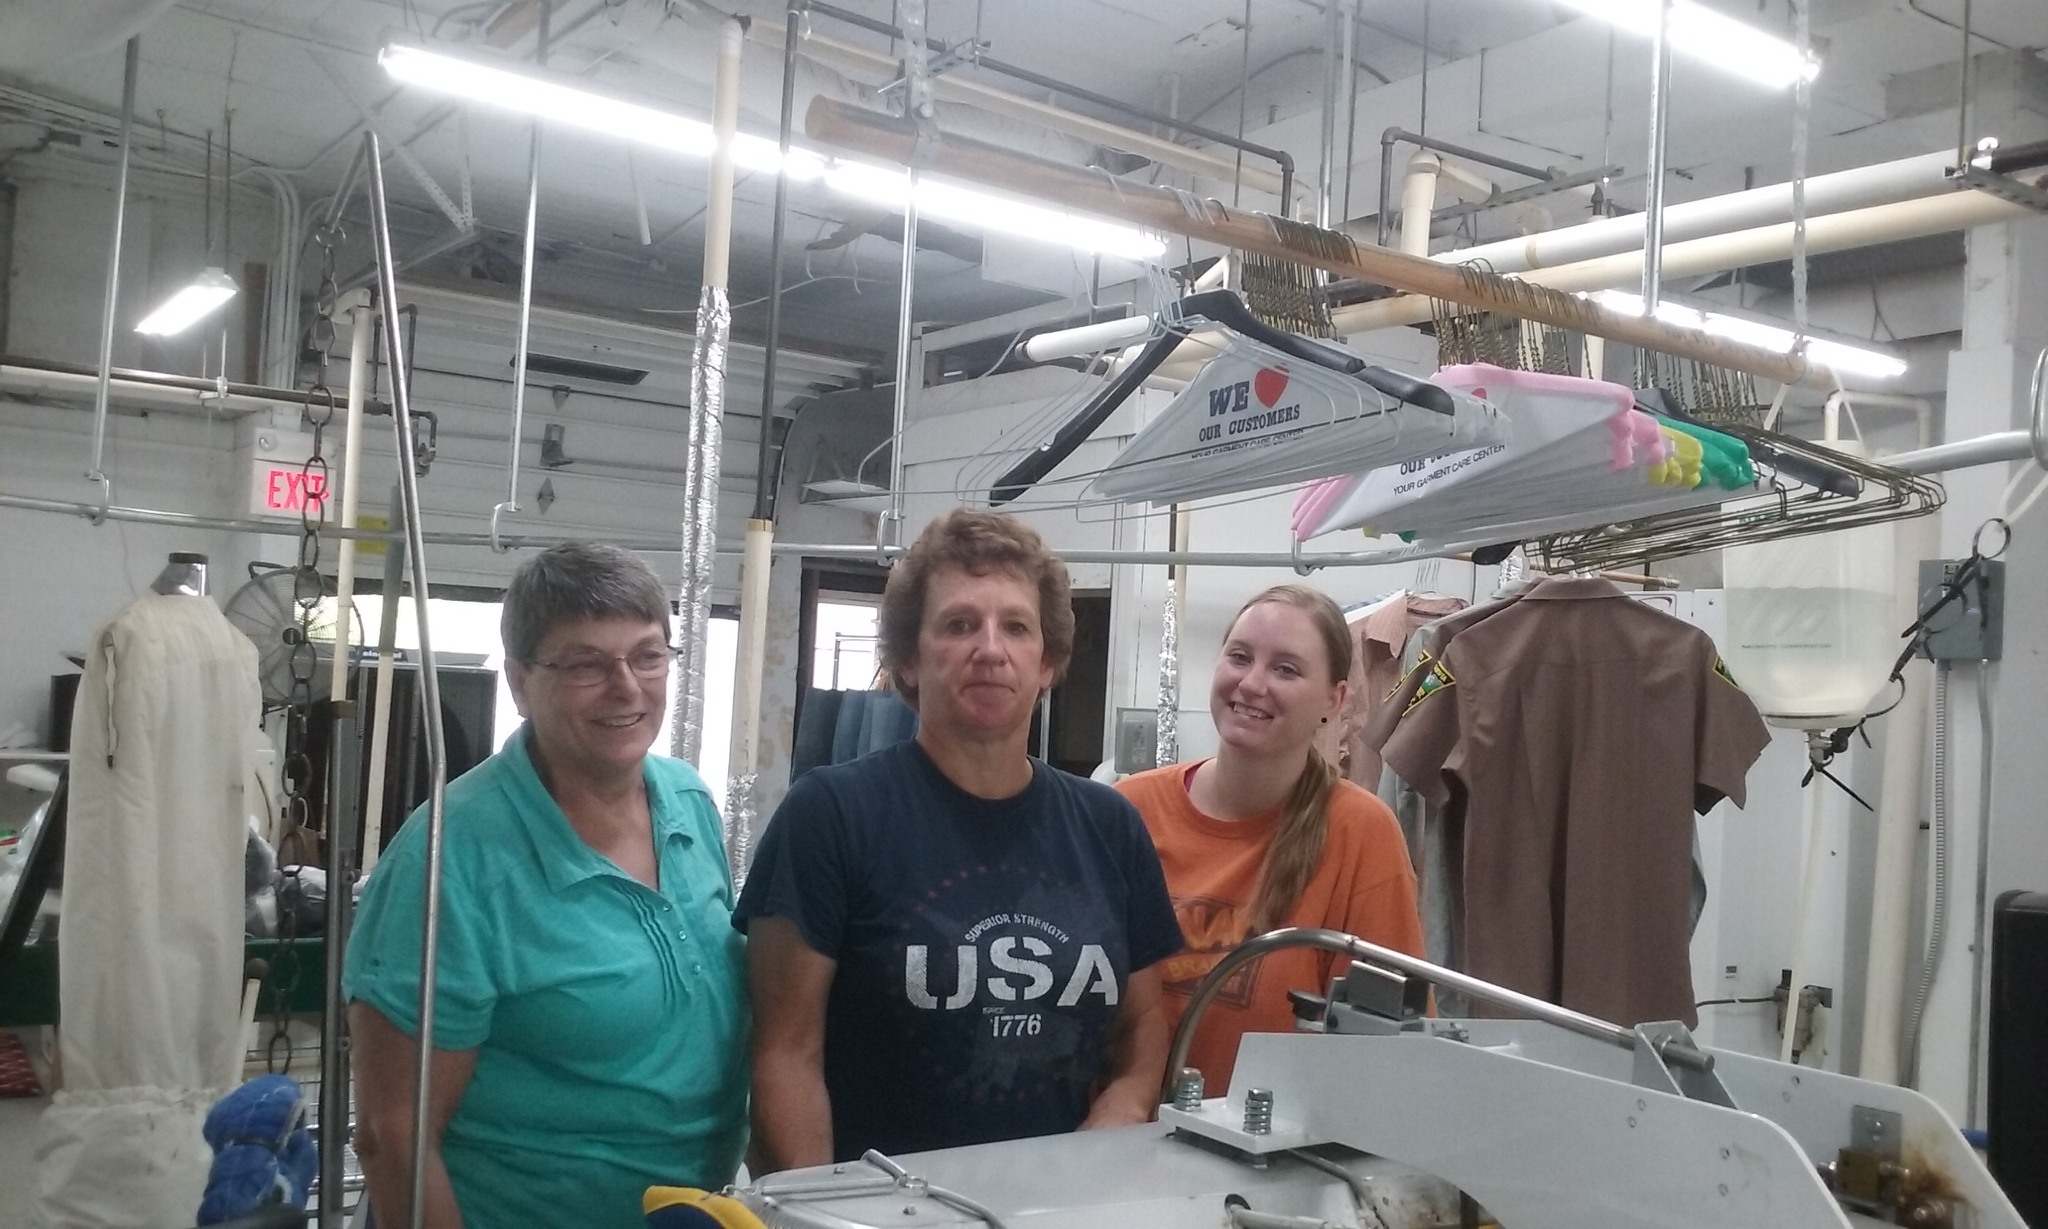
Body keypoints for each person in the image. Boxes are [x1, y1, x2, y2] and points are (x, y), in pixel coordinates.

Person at [736, 508, 1183, 1172]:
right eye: (959, 624)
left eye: (1016, 626)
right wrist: (825, 1214)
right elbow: (783, 1054)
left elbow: (1146, 1023)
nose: (990, 648)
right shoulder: (830, 816)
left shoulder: (1108, 824)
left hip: (1051, 1210)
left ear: (1048, 661)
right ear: (908, 661)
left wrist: (1118, 1113)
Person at [343, 542, 747, 1229]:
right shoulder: (451, 858)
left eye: (648, 654)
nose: (627, 685)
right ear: (520, 682)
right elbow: (393, 1136)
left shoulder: (687, 801)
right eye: (587, 662)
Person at [1116, 584, 1424, 1093]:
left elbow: (1385, 1049)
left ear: (1335, 699)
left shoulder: (1360, 834)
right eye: (1239, 657)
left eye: (1286, 669)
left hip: (1273, 1160)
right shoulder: (1130, 810)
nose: (1252, 683)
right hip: (1116, 1146)